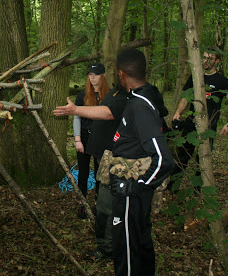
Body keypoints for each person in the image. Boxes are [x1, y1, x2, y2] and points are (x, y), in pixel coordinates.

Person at [54, 58, 169, 261]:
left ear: (121, 74)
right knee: (106, 207)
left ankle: (118, 250)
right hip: (111, 160)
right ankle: (108, 248)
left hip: (129, 168)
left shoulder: (139, 100)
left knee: (117, 211)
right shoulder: (121, 93)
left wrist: (75, 110)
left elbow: (107, 113)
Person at [110, 48, 174, 276]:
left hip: (131, 192)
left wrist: (136, 185)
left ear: (121, 74)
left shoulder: (140, 106)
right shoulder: (142, 97)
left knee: (126, 250)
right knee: (140, 243)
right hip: (132, 190)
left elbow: (164, 160)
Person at [171, 47, 228, 188]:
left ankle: (197, 190)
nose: (206, 61)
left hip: (208, 127)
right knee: (183, 156)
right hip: (190, 124)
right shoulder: (195, 76)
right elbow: (185, 97)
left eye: (210, 59)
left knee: (203, 160)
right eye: (204, 57)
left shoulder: (222, 80)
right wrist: (178, 112)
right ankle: (172, 188)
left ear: (217, 61)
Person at [73, 63, 110, 218]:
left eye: (96, 74)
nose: (92, 77)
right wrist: (77, 139)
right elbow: (76, 117)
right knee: (83, 171)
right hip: (85, 137)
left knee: (99, 172)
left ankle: (98, 203)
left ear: (103, 76)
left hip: (101, 139)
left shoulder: (109, 95)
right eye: (90, 74)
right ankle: (82, 203)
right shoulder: (82, 95)